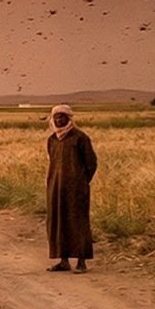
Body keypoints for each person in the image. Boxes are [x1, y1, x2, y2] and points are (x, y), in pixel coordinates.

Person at [46, 105, 98, 273]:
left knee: (77, 222)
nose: (59, 120)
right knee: (59, 222)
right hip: (55, 188)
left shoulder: (80, 138)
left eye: (62, 117)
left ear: (69, 118)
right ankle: (63, 260)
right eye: (56, 117)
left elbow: (91, 163)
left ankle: (81, 262)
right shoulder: (52, 139)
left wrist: (81, 181)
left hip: (76, 189)